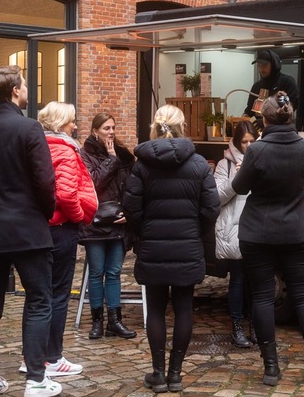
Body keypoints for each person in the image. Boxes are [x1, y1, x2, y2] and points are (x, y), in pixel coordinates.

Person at [0, 65, 61, 397]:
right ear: (16, 91)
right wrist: (43, 212)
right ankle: (35, 380)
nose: (27, 90)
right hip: (28, 227)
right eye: (25, 85)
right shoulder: (29, 128)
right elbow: (45, 181)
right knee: (39, 300)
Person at [123, 104, 220, 393]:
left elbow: (131, 208)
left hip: (153, 245)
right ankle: (175, 373)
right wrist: (195, 231)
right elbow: (211, 208)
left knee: (155, 308)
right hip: (187, 245)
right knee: (183, 307)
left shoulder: (142, 166)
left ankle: (157, 372)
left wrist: (144, 233)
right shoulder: (199, 164)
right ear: (182, 126)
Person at [231, 91, 304, 387]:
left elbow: (239, 187)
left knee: (261, 296)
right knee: (303, 296)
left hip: (258, 231)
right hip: (295, 229)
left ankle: (271, 367)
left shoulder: (257, 150)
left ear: (265, 119)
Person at [17, 101, 97, 377]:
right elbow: (65, 193)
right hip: (60, 228)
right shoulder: (63, 148)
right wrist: (78, 216)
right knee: (58, 294)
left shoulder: (33, 146)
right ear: (61, 123)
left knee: (37, 295)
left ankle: (31, 356)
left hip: (36, 227)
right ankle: (52, 357)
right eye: (72, 121)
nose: (75, 126)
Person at [78, 112, 137, 340]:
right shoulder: (85, 154)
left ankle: (115, 321)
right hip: (95, 222)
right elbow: (93, 183)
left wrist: (129, 213)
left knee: (113, 273)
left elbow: (132, 187)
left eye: (113, 127)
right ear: (95, 131)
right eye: (106, 128)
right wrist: (110, 159)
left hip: (119, 223)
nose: (111, 132)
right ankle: (97, 322)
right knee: (96, 273)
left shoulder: (123, 155)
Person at [213, 121, 258, 348]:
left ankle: (256, 326)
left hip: (258, 228)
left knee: (258, 281)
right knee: (238, 280)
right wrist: (237, 179)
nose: (248, 146)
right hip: (235, 230)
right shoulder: (225, 164)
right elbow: (217, 197)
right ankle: (237, 326)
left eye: (252, 141)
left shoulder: (261, 159)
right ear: (236, 142)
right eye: (244, 142)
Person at [243, 49, 300, 118]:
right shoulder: (257, 86)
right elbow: (249, 110)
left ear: (273, 65)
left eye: (264, 66)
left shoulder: (287, 82)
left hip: (280, 127)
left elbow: (290, 107)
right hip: (260, 127)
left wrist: (268, 120)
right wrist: (240, 121)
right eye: (259, 66)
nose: (261, 69)